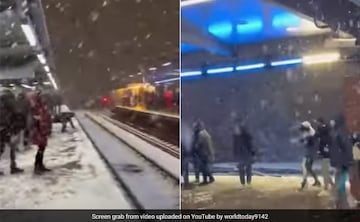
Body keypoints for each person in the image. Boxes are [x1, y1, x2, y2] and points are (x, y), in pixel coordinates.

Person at [329, 117, 353, 209]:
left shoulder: (340, 133)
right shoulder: (341, 132)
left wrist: (345, 161)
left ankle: (344, 206)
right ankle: (341, 204)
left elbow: (344, 149)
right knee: (340, 183)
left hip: (343, 163)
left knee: (341, 185)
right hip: (342, 162)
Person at [0, 89, 24, 174]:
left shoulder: (2, 104)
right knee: (12, 148)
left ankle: (13, 166)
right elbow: (16, 114)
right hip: (7, 128)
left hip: (2, 128)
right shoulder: (11, 104)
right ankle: (13, 167)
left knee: (2, 148)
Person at [31, 91, 52, 174]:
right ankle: (37, 166)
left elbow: (46, 117)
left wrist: (48, 129)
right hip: (39, 130)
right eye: (42, 97)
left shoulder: (43, 106)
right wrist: (41, 129)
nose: (44, 98)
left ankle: (40, 165)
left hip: (43, 130)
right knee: (40, 148)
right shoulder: (36, 107)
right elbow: (37, 120)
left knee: (42, 148)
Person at [299, 121, 321, 190]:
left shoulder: (312, 134)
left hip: (311, 153)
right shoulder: (308, 132)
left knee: (305, 166)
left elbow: (311, 142)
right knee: (308, 167)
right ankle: (316, 181)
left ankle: (304, 182)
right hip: (309, 152)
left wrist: (304, 140)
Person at [192, 120, 215, 185]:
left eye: (195, 127)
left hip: (203, 154)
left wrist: (194, 148)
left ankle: (209, 178)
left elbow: (198, 144)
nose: (194, 128)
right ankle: (207, 179)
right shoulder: (206, 133)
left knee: (203, 168)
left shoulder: (201, 134)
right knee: (204, 167)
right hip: (207, 153)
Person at [233, 122, 255, 187]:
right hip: (243, 155)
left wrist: (252, 154)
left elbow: (250, 146)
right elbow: (235, 147)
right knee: (244, 169)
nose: (236, 130)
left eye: (237, 129)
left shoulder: (244, 137)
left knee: (246, 169)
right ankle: (245, 183)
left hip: (245, 154)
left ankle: (247, 182)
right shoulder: (237, 138)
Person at [315, 118, 334, 190]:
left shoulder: (324, 137)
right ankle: (331, 183)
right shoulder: (327, 136)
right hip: (326, 154)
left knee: (325, 170)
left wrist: (321, 151)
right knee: (325, 170)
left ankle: (327, 185)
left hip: (326, 154)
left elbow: (317, 136)